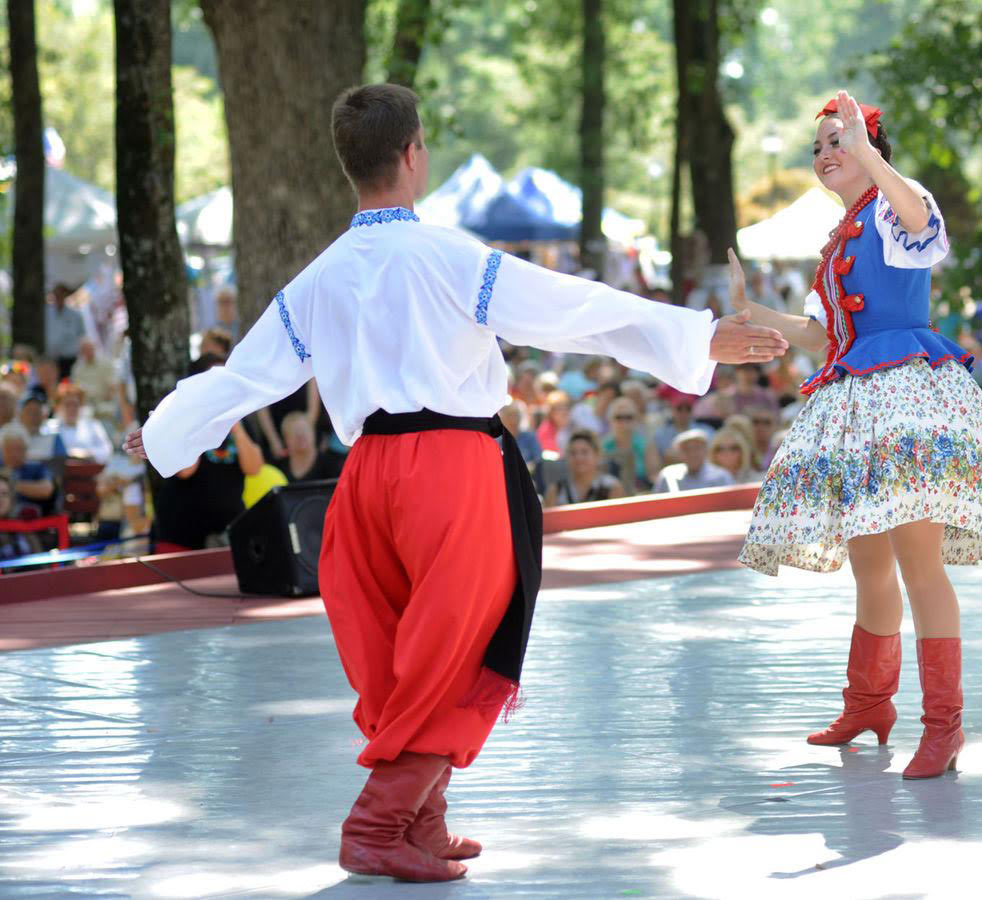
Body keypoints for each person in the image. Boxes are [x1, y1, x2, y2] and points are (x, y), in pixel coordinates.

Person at [123, 83, 785, 882]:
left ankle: (422, 824)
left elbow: (245, 375)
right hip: (452, 470)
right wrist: (703, 337)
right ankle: (377, 823)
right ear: (413, 154)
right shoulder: (447, 257)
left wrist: (164, 431)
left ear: (351, 166)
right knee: (464, 646)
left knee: (406, 652)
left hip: (363, 477)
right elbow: (574, 310)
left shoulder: (320, 278)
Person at [733, 92, 982, 780]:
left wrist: (869, 154)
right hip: (859, 407)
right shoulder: (842, 237)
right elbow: (828, 334)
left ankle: (944, 726)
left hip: (907, 402)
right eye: (821, 147)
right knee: (869, 565)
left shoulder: (896, 203)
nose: (828, 154)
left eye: (841, 142)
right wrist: (750, 311)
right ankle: (869, 703)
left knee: (920, 563)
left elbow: (924, 223)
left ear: (872, 149)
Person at [151, 354, 265, 551]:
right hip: (181, 534)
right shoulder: (180, 416)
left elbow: (254, 468)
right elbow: (185, 471)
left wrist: (235, 426)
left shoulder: (241, 419)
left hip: (226, 534)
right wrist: (202, 418)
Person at [543, 429, 624, 506]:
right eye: (573, 453)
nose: (578, 458)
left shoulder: (612, 487)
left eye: (584, 452)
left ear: (597, 455)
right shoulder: (556, 490)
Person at [602, 396, 660, 494]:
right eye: (619, 417)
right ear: (610, 420)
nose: (624, 422)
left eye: (628, 417)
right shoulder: (603, 446)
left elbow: (654, 477)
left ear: (636, 419)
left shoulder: (646, 445)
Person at [653, 429, 735, 493]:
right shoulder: (668, 476)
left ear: (706, 450)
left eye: (697, 448)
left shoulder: (721, 477)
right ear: (679, 453)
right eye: (686, 449)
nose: (692, 453)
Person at [48, 384, 114, 464]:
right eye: (67, 404)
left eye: (75, 404)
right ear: (58, 407)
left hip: (89, 473)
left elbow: (107, 451)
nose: (72, 409)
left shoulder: (93, 425)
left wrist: (87, 454)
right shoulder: (50, 428)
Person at [0, 426, 56, 517]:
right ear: (2, 450)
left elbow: (47, 490)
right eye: (9, 449)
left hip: (30, 522)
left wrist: (11, 485)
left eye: (18, 449)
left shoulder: (36, 468)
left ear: (26, 450)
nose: (13, 454)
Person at [280, 411, 343, 483]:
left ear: (313, 432)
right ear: (285, 438)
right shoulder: (279, 469)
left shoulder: (333, 464)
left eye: (304, 430)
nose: (300, 435)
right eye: (294, 432)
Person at [44, 284, 86, 375]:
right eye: (57, 294)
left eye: (61, 294)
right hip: (51, 357)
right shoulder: (46, 313)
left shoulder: (75, 315)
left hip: (69, 358)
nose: (59, 298)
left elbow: (82, 335)